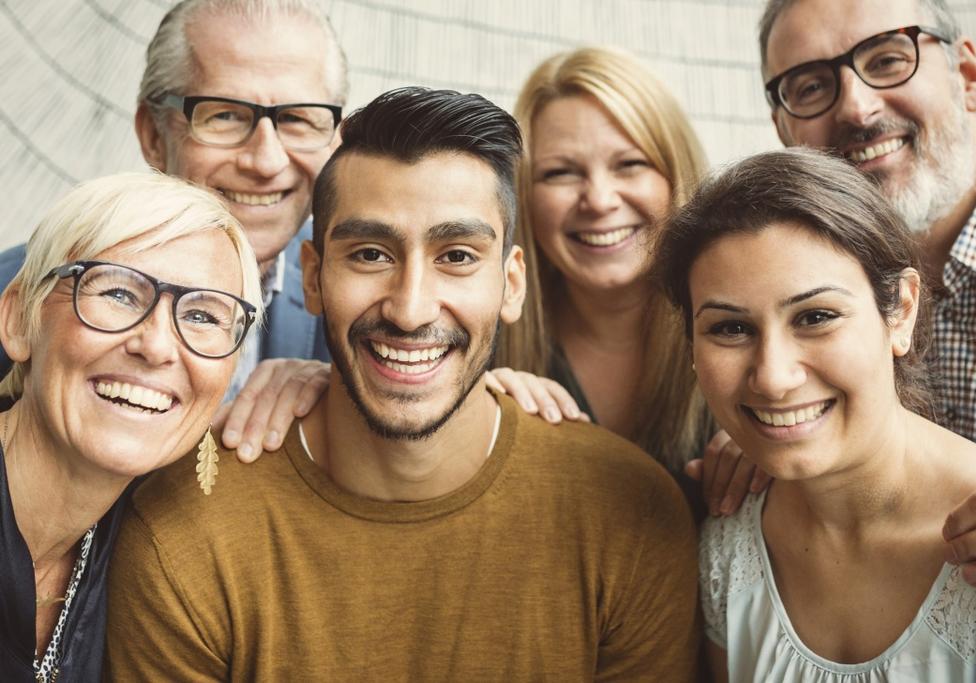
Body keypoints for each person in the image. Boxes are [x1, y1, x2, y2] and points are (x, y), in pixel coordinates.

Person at [104, 87, 700, 680]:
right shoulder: (186, 529)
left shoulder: (632, 515)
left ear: (511, 284)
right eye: (370, 254)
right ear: (312, 279)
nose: (410, 309)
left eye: (458, 256)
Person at [658, 147, 976, 681]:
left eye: (816, 316)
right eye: (730, 328)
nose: (774, 377)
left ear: (900, 311)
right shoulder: (727, 545)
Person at [758, 0, 976, 604]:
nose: (856, 106)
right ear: (783, 131)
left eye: (887, 58)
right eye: (811, 86)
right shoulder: (770, 290)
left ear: (969, 77)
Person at [0, 0, 348, 461]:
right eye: (224, 115)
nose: (266, 162)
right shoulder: (25, 290)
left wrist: (337, 393)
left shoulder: (356, 303)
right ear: (152, 135)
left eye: (298, 119)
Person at [0, 172, 263, 681]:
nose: (158, 346)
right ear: (18, 320)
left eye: (205, 316)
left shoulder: (149, 545)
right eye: (119, 293)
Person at [490, 46, 759, 513]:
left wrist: (782, 440)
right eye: (560, 173)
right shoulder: (483, 340)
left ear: (677, 173)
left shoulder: (753, 329)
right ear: (524, 198)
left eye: (629, 164)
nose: (598, 199)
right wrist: (472, 420)